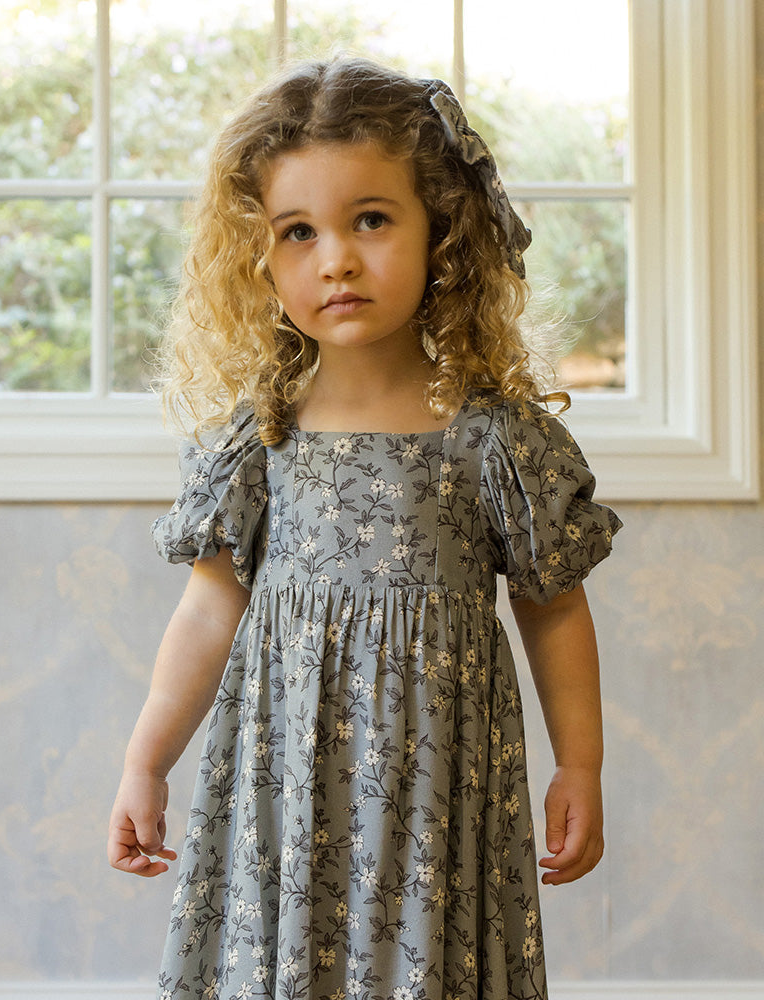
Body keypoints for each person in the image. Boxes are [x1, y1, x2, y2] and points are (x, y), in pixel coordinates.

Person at [108, 57, 622, 1000]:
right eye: (296, 232)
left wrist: (579, 763)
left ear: (444, 231)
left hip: (436, 795)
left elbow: (553, 606)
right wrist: (146, 760)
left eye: (371, 220)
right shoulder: (258, 437)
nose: (335, 258)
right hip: (285, 791)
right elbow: (209, 608)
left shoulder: (493, 439)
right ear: (259, 259)